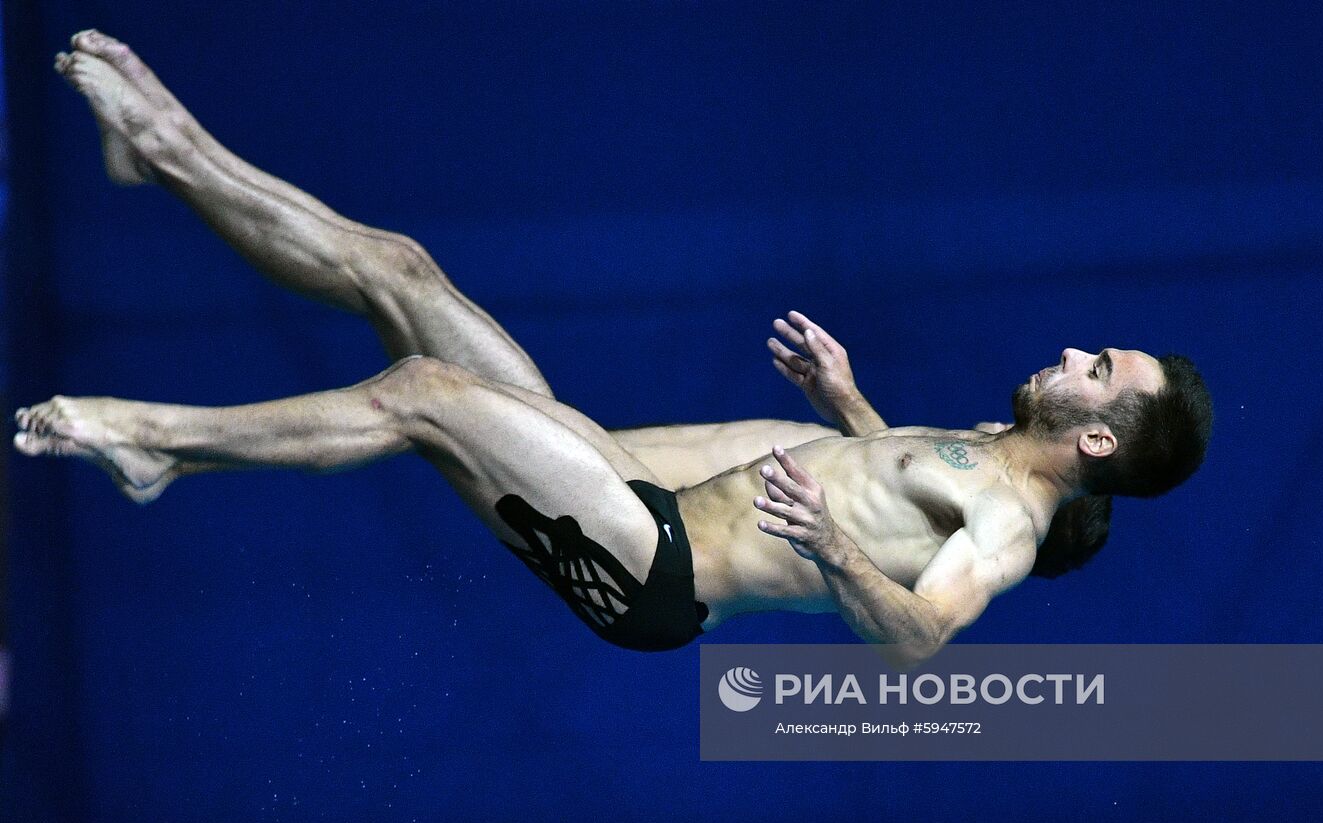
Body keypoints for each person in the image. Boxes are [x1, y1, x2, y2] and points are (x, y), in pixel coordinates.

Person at [17, 31, 1212, 667]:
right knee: (400, 269)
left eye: (1096, 367)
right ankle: (167, 147)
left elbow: (916, 641)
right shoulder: (975, 451)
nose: (1072, 353)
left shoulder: (1010, 525)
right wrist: (847, 400)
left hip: (649, 569)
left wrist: (833, 543)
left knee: (424, 392)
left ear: (1097, 436)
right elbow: (896, 480)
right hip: (610, 479)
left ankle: (157, 441)